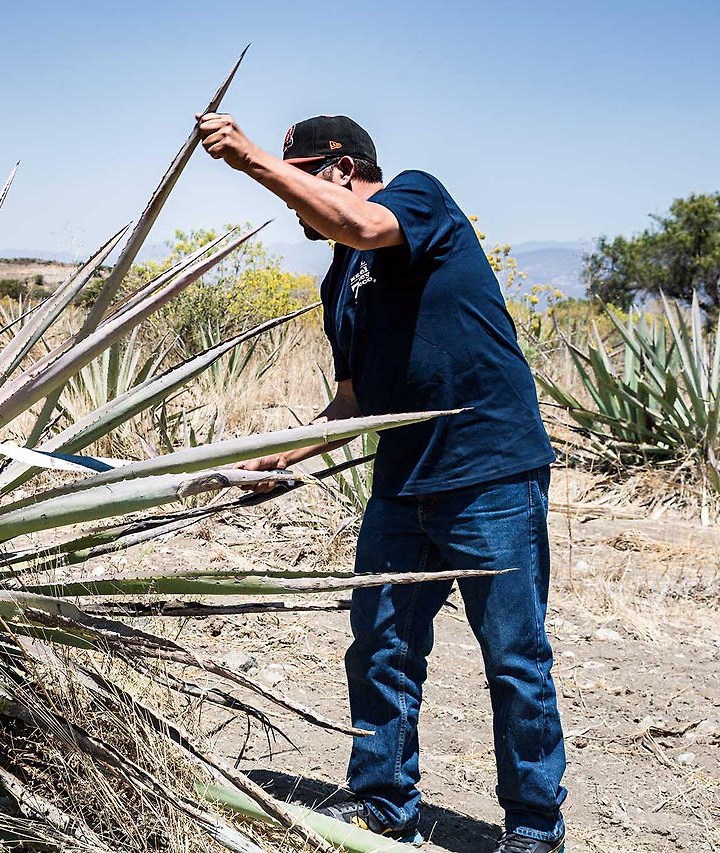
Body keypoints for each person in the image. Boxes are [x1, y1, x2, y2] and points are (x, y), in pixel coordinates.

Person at [196, 112, 567, 853]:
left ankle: (534, 824)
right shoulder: (340, 279)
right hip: (403, 483)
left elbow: (363, 226)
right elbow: (353, 402)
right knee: (380, 647)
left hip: (489, 472)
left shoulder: (416, 197)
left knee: (514, 656)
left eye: (302, 177)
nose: (293, 198)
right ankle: (384, 804)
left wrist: (250, 158)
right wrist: (280, 458)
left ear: (341, 169)